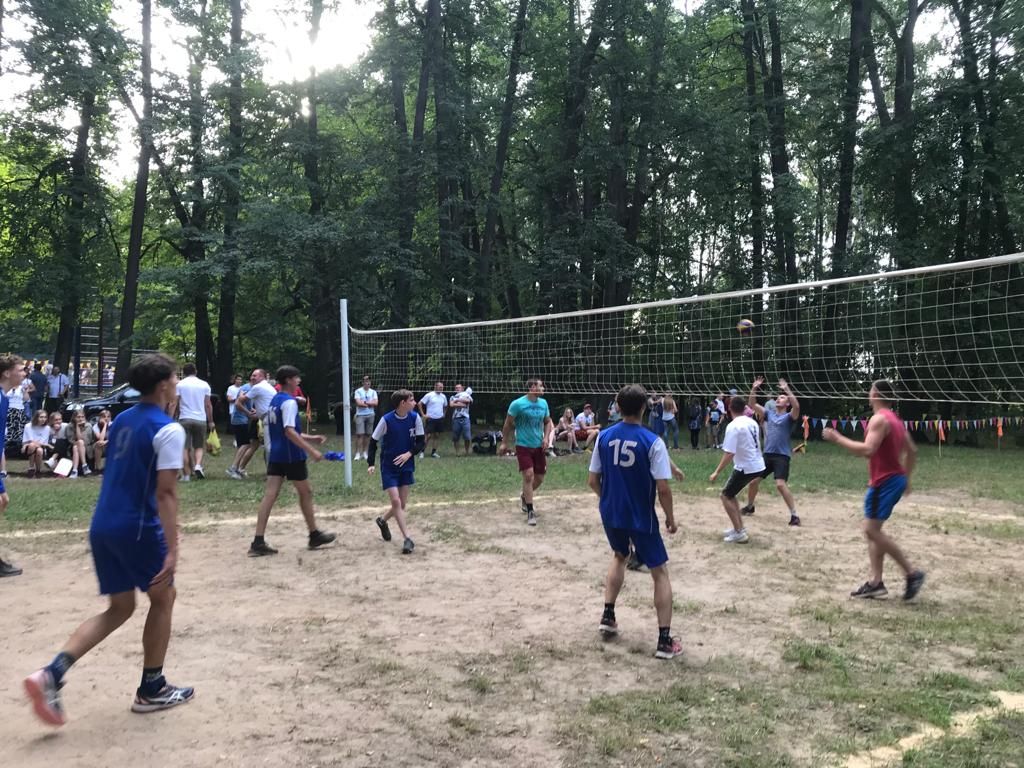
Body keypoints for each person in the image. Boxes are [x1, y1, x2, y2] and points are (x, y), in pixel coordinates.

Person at [24, 353, 194, 726]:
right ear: (162, 385)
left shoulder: (122, 420)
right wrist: (172, 550)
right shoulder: (168, 429)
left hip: (103, 523)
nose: (177, 384)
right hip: (137, 526)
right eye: (174, 379)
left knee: (120, 607)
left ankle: (52, 673)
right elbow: (166, 493)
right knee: (164, 597)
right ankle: (152, 688)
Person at [587, 384, 681, 660]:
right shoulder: (652, 441)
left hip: (611, 513)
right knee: (659, 571)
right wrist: (670, 519)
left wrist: (609, 499)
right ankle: (664, 641)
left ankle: (608, 616)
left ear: (617, 406)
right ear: (644, 408)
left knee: (620, 555)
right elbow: (663, 489)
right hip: (640, 516)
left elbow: (593, 480)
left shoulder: (604, 436)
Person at [823, 380, 925, 600]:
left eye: (870, 390)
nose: (868, 394)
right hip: (892, 480)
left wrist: (838, 438)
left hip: (884, 482)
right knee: (874, 531)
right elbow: (912, 450)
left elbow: (868, 450)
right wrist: (906, 479)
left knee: (871, 530)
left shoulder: (879, 419)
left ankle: (911, 573)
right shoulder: (895, 420)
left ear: (876, 394)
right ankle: (876, 583)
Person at [248, 366, 336, 557]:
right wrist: (311, 450)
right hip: (291, 455)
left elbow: (285, 429)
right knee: (306, 492)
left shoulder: (275, 400)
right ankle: (314, 534)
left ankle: (258, 541)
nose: (299, 381)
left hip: (276, 453)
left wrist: (311, 438)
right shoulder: (289, 402)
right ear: (288, 380)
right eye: (296, 378)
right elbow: (289, 431)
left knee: (270, 495)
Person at [368, 389, 425, 555]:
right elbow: (373, 442)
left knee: (402, 504)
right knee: (396, 502)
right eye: (412, 400)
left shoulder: (415, 418)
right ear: (403, 403)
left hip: (406, 466)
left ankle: (382, 520)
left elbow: (421, 443)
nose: (415, 403)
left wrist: (409, 454)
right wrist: (371, 463)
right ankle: (407, 538)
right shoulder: (386, 420)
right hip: (389, 467)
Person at [742, 377, 801, 525]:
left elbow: (797, 406)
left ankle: (794, 515)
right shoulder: (770, 414)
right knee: (753, 481)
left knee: (780, 484)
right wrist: (754, 388)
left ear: (787, 403)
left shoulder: (789, 417)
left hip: (782, 456)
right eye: (778, 397)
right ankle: (750, 507)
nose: (778, 399)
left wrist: (786, 389)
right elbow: (752, 404)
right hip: (767, 455)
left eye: (782, 398)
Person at [709, 396, 765, 544]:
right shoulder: (752, 422)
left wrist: (716, 472)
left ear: (729, 408)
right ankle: (739, 528)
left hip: (747, 466)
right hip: (758, 464)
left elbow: (729, 453)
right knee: (730, 494)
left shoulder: (733, 426)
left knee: (725, 496)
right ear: (744, 407)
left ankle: (739, 533)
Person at [499, 378, 554, 526]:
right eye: (541, 386)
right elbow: (507, 424)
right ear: (532, 387)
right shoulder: (517, 404)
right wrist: (504, 442)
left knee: (540, 478)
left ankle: (524, 495)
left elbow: (547, 422)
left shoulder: (543, 403)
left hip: (538, 445)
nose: (543, 388)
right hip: (523, 445)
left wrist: (546, 438)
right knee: (529, 475)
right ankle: (530, 511)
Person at [0, 354, 26, 577]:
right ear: (7, 373)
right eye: (21, 369)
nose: (24, 373)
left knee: (2, 501)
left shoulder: (5, 398)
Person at [234, 368, 277, 476]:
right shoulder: (268, 386)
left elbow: (240, 401)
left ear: (262, 377)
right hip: (272, 418)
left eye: (255, 376)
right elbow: (266, 405)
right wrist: (257, 412)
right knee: (269, 447)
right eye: (252, 375)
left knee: (269, 448)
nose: (252, 378)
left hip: (269, 419)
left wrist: (241, 395)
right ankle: (273, 471)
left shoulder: (258, 387)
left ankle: (274, 473)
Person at [174, 363, 213, 481]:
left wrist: (172, 416)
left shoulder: (180, 385)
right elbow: (208, 404)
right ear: (195, 371)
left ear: (184, 372)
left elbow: (175, 403)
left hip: (184, 418)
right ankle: (198, 465)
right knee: (199, 446)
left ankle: (186, 475)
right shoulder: (204, 384)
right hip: (200, 419)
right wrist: (211, 421)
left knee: (184, 448)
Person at [226, 374, 253, 479]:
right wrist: (248, 413)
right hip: (240, 419)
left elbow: (247, 404)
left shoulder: (248, 387)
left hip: (240, 418)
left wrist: (252, 410)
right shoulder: (247, 388)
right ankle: (232, 468)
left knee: (241, 444)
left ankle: (236, 469)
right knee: (245, 444)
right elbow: (238, 404)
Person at [418, 381, 448, 458]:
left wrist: (444, 414)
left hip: (439, 419)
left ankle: (433, 453)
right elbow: (419, 403)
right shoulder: (429, 395)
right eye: (440, 387)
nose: (441, 388)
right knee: (428, 436)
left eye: (442, 387)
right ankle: (422, 452)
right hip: (430, 418)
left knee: (437, 436)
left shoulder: (443, 396)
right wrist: (423, 415)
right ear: (435, 387)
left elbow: (445, 406)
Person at [353, 375, 379, 460]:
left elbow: (376, 403)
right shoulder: (358, 391)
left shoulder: (373, 392)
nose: (367, 383)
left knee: (368, 434)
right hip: (360, 415)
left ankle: (365, 452)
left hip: (370, 414)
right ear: (363, 382)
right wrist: (369, 403)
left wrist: (364, 402)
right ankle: (357, 453)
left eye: (368, 381)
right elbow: (358, 403)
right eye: (365, 381)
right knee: (360, 434)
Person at [21, 409, 52, 478]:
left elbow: (43, 443)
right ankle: (31, 467)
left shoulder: (47, 428)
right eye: (41, 417)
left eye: (45, 417)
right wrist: (28, 444)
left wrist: (43, 444)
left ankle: (38, 470)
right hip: (28, 448)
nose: (43, 419)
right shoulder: (28, 426)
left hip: (41, 447)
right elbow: (29, 440)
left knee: (39, 450)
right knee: (32, 445)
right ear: (36, 417)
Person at [62, 410, 91, 478]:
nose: (80, 419)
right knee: (76, 446)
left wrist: (78, 427)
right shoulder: (69, 426)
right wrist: (77, 426)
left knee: (80, 443)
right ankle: (84, 466)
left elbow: (85, 441)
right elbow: (71, 441)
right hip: (72, 448)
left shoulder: (88, 426)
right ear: (74, 418)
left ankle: (74, 471)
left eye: (82, 417)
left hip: (87, 448)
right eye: (78, 417)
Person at [449, 384, 473, 456]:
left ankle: (467, 452)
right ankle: (457, 452)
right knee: (455, 437)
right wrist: (462, 404)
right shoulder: (452, 397)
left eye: (458, 388)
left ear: (462, 388)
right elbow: (451, 405)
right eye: (456, 388)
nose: (457, 389)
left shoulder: (466, 395)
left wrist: (457, 400)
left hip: (465, 418)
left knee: (467, 437)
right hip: (456, 418)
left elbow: (468, 401)